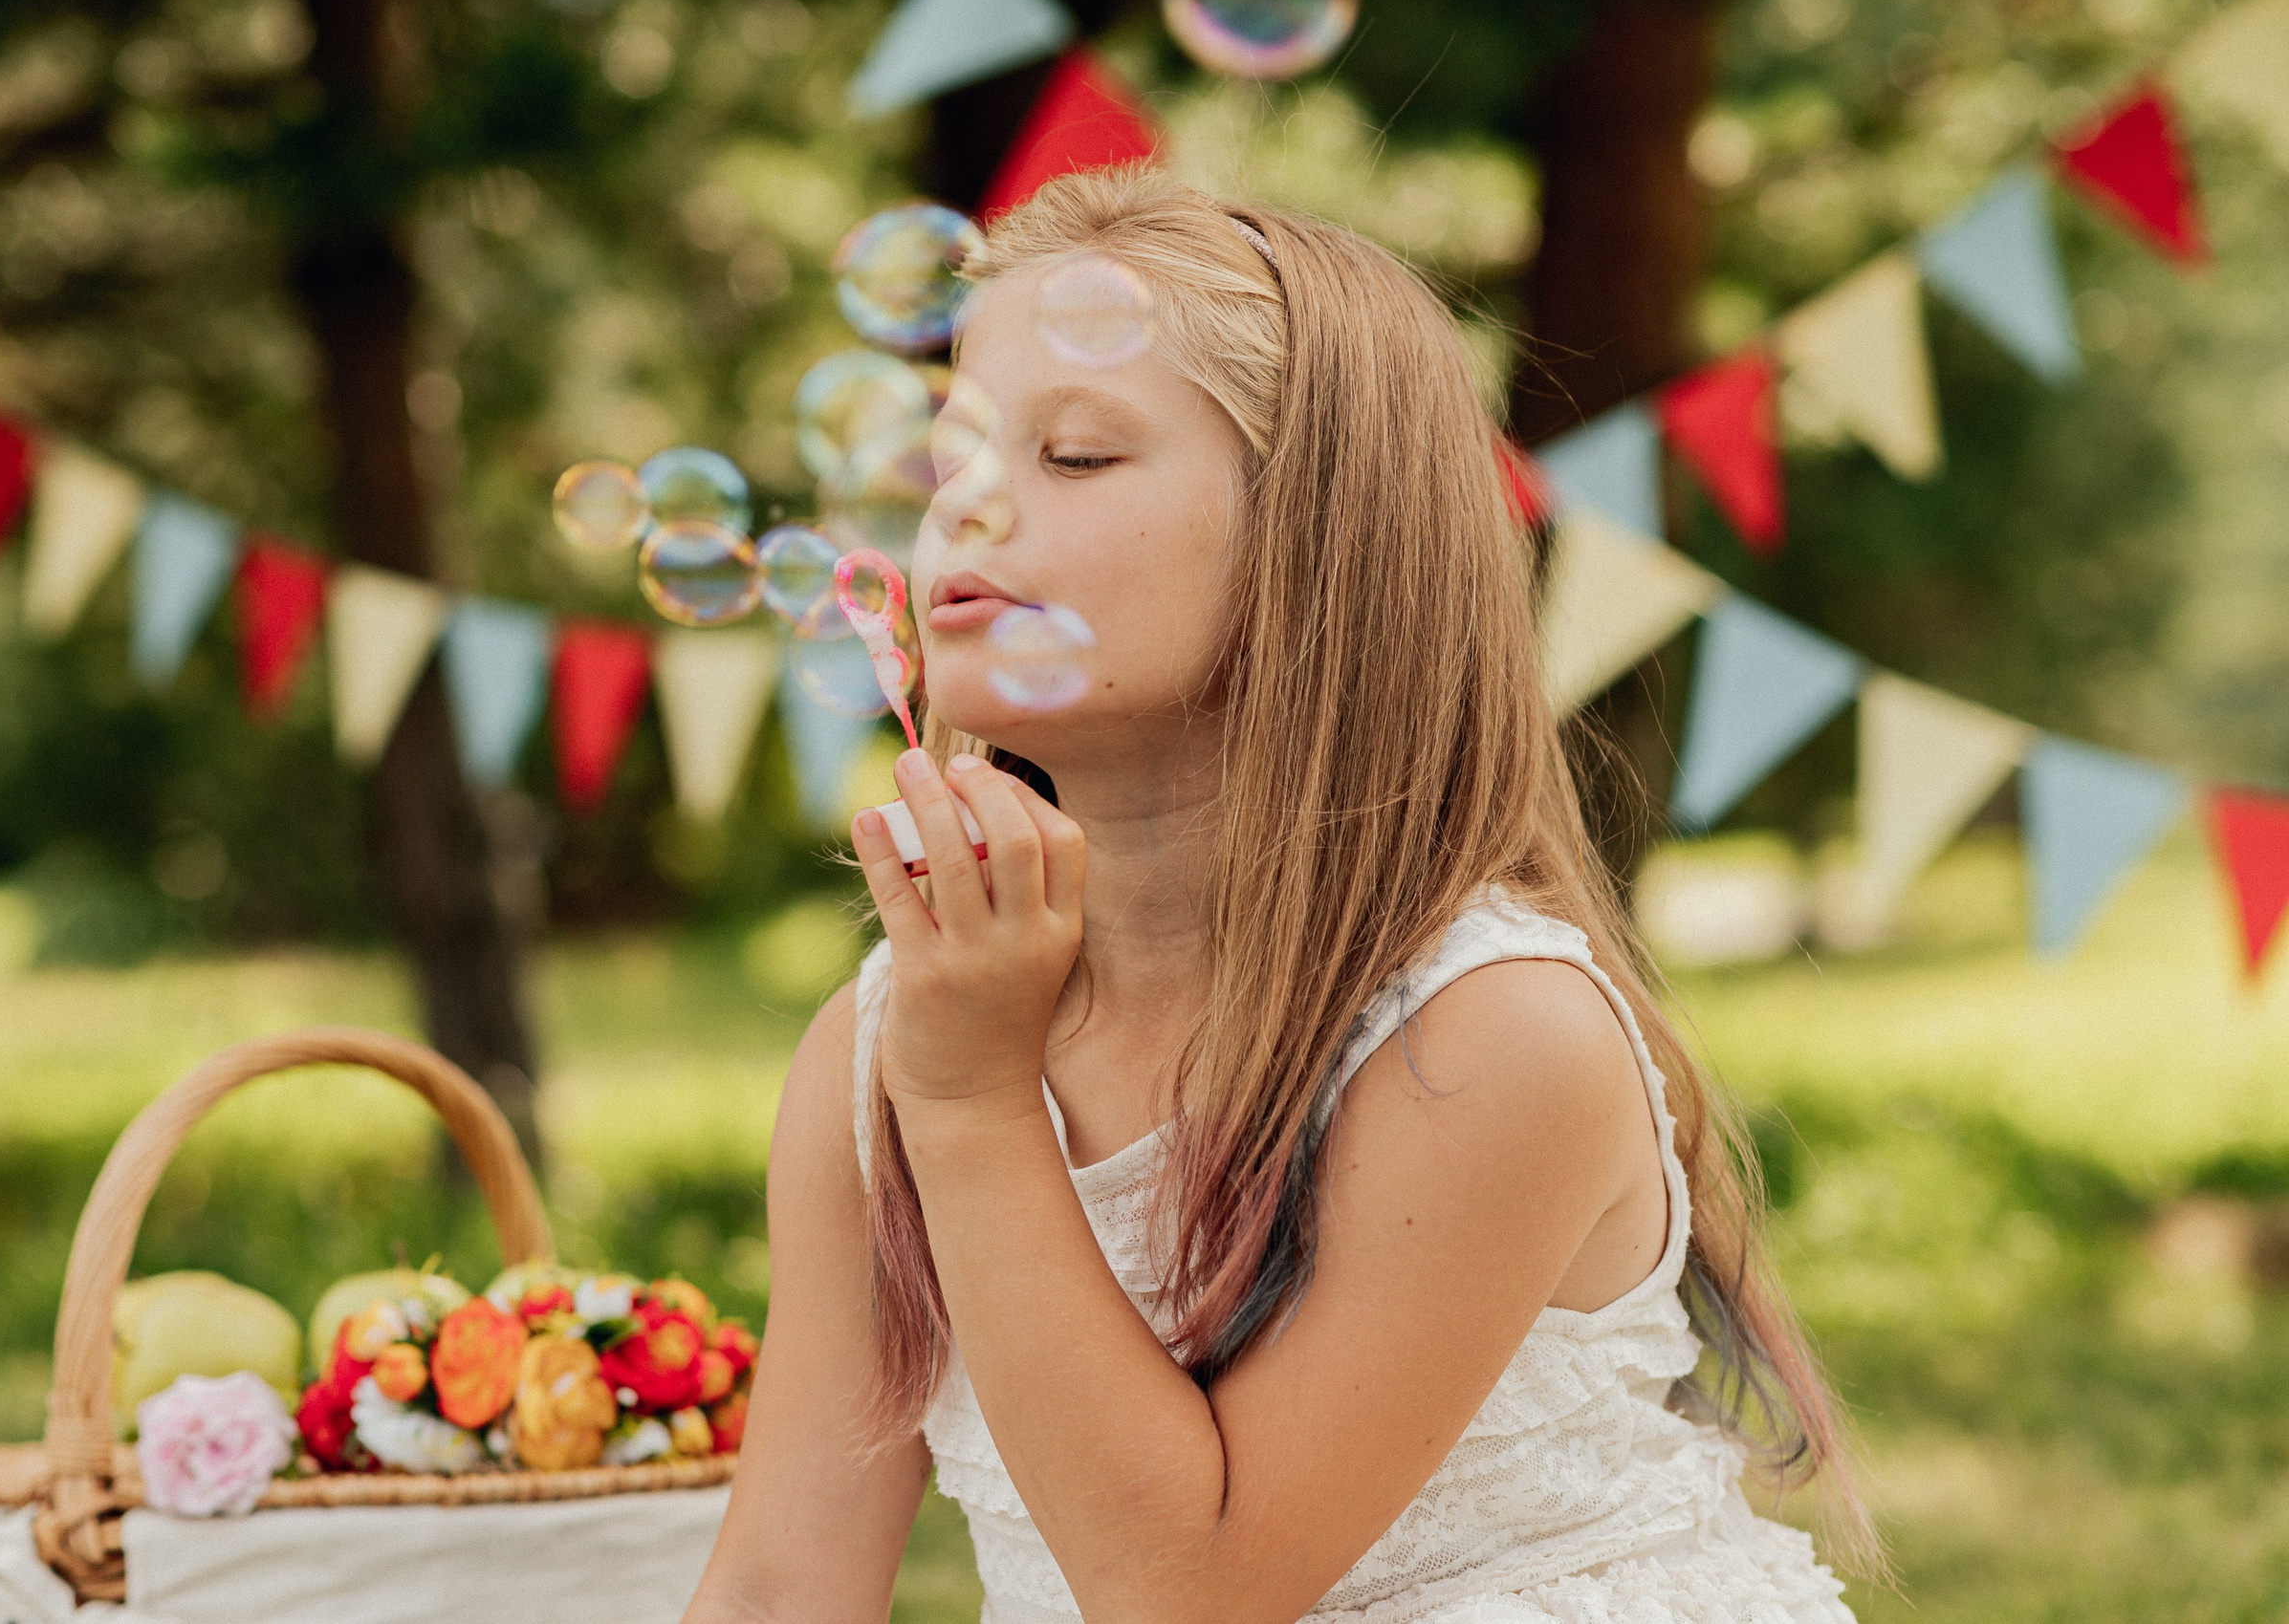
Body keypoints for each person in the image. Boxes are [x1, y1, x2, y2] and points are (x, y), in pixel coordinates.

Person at [686, 167, 1875, 1624]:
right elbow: (779, 1584)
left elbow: (1188, 1590)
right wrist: (944, 1075)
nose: (971, 514)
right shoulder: (884, 1049)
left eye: (1074, 458)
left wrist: (976, 1104)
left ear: (1316, 548)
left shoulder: (1489, 1040)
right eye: (954, 467)